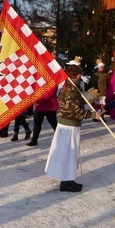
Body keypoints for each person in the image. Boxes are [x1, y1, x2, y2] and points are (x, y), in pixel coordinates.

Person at [45, 58, 99, 192]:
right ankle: (66, 181)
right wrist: (92, 115)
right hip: (68, 125)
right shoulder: (71, 88)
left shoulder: (70, 85)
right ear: (78, 75)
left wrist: (89, 96)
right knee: (68, 153)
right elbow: (75, 110)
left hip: (68, 124)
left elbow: (77, 101)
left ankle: (68, 179)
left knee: (69, 153)